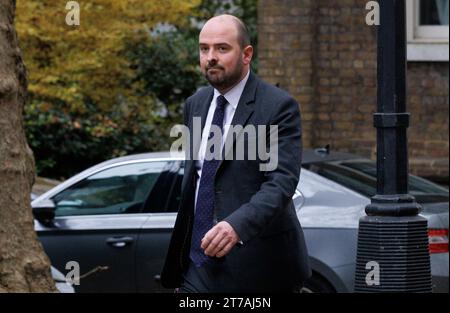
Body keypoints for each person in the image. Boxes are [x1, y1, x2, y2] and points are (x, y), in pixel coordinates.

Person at [161, 14, 311, 293]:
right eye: (204, 48)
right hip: (199, 264)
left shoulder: (278, 106)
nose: (210, 57)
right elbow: (196, 179)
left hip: (260, 264)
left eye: (222, 48)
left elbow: (281, 182)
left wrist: (236, 226)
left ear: (247, 54)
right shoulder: (194, 105)